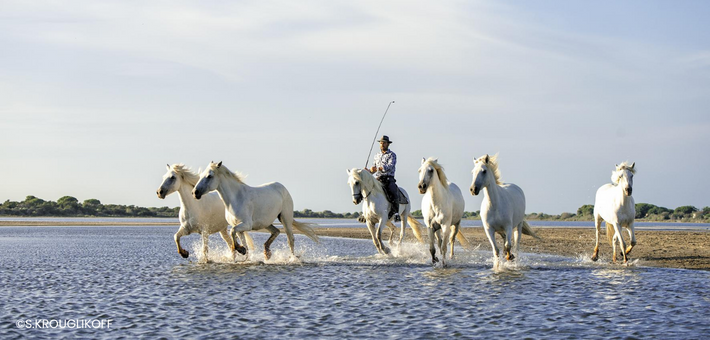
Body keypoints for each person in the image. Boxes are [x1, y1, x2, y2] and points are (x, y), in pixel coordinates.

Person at [368, 135, 400, 220]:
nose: (382, 145)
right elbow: (374, 168)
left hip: (389, 178)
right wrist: (369, 171)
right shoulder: (376, 155)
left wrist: (379, 168)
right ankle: (366, 212)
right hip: (378, 178)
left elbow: (389, 166)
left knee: (393, 191)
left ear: (388, 144)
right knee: (367, 190)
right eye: (381, 143)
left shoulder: (392, 155)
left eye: (384, 143)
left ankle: (396, 212)